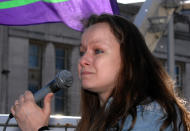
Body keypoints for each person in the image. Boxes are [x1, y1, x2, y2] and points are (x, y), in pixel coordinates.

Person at [11, 14, 190, 131]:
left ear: (129, 60)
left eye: (98, 51)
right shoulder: (105, 115)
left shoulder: (151, 116)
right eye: (82, 52)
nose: (83, 60)